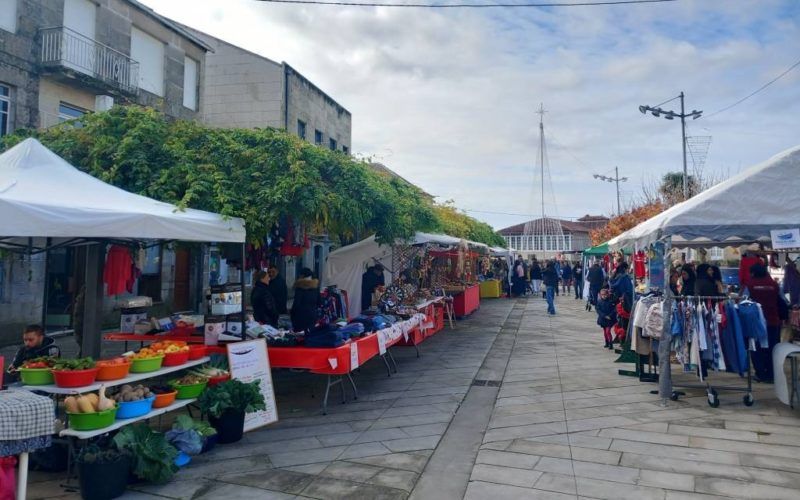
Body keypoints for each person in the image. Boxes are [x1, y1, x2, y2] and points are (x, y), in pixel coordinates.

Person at [747, 263, 788, 383]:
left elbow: (745, 301)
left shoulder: (750, 285)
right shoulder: (774, 285)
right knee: (772, 348)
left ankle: (760, 373)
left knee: (756, 349)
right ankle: (771, 374)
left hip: (756, 322)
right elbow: (783, 300)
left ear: (753, 272)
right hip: (772, 321)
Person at [290, 268, 320, 332]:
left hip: (301, 317)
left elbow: (296, 304)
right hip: (312, 315)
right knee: (311, 335)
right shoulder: (315, 287)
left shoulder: (300, 288)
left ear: (302, 276)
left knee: (300, 337)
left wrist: (292, 314)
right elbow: (319, 302)